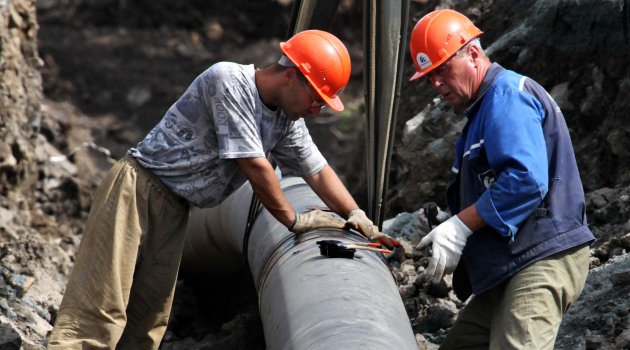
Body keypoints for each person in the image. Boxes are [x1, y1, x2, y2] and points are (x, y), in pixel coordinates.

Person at [47, 29, 398, 350]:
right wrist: (293, 221)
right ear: (292, 76)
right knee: (100, 309)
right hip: (137, 191)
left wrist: (355, 214)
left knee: (147, 321)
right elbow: (253, 164)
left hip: (176, 208)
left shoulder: (286, 120)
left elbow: (317, 170)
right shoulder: (228, 81)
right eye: (317, 98)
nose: (317, 110)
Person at [409, 9, 594, 349]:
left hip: (540, 257)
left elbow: (526, 179)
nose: (435, 84)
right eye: (429, 76)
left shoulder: (508, 96)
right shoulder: (482, 113)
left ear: (474, 54)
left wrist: (461, 226)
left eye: (442, 70)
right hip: (511, 264)